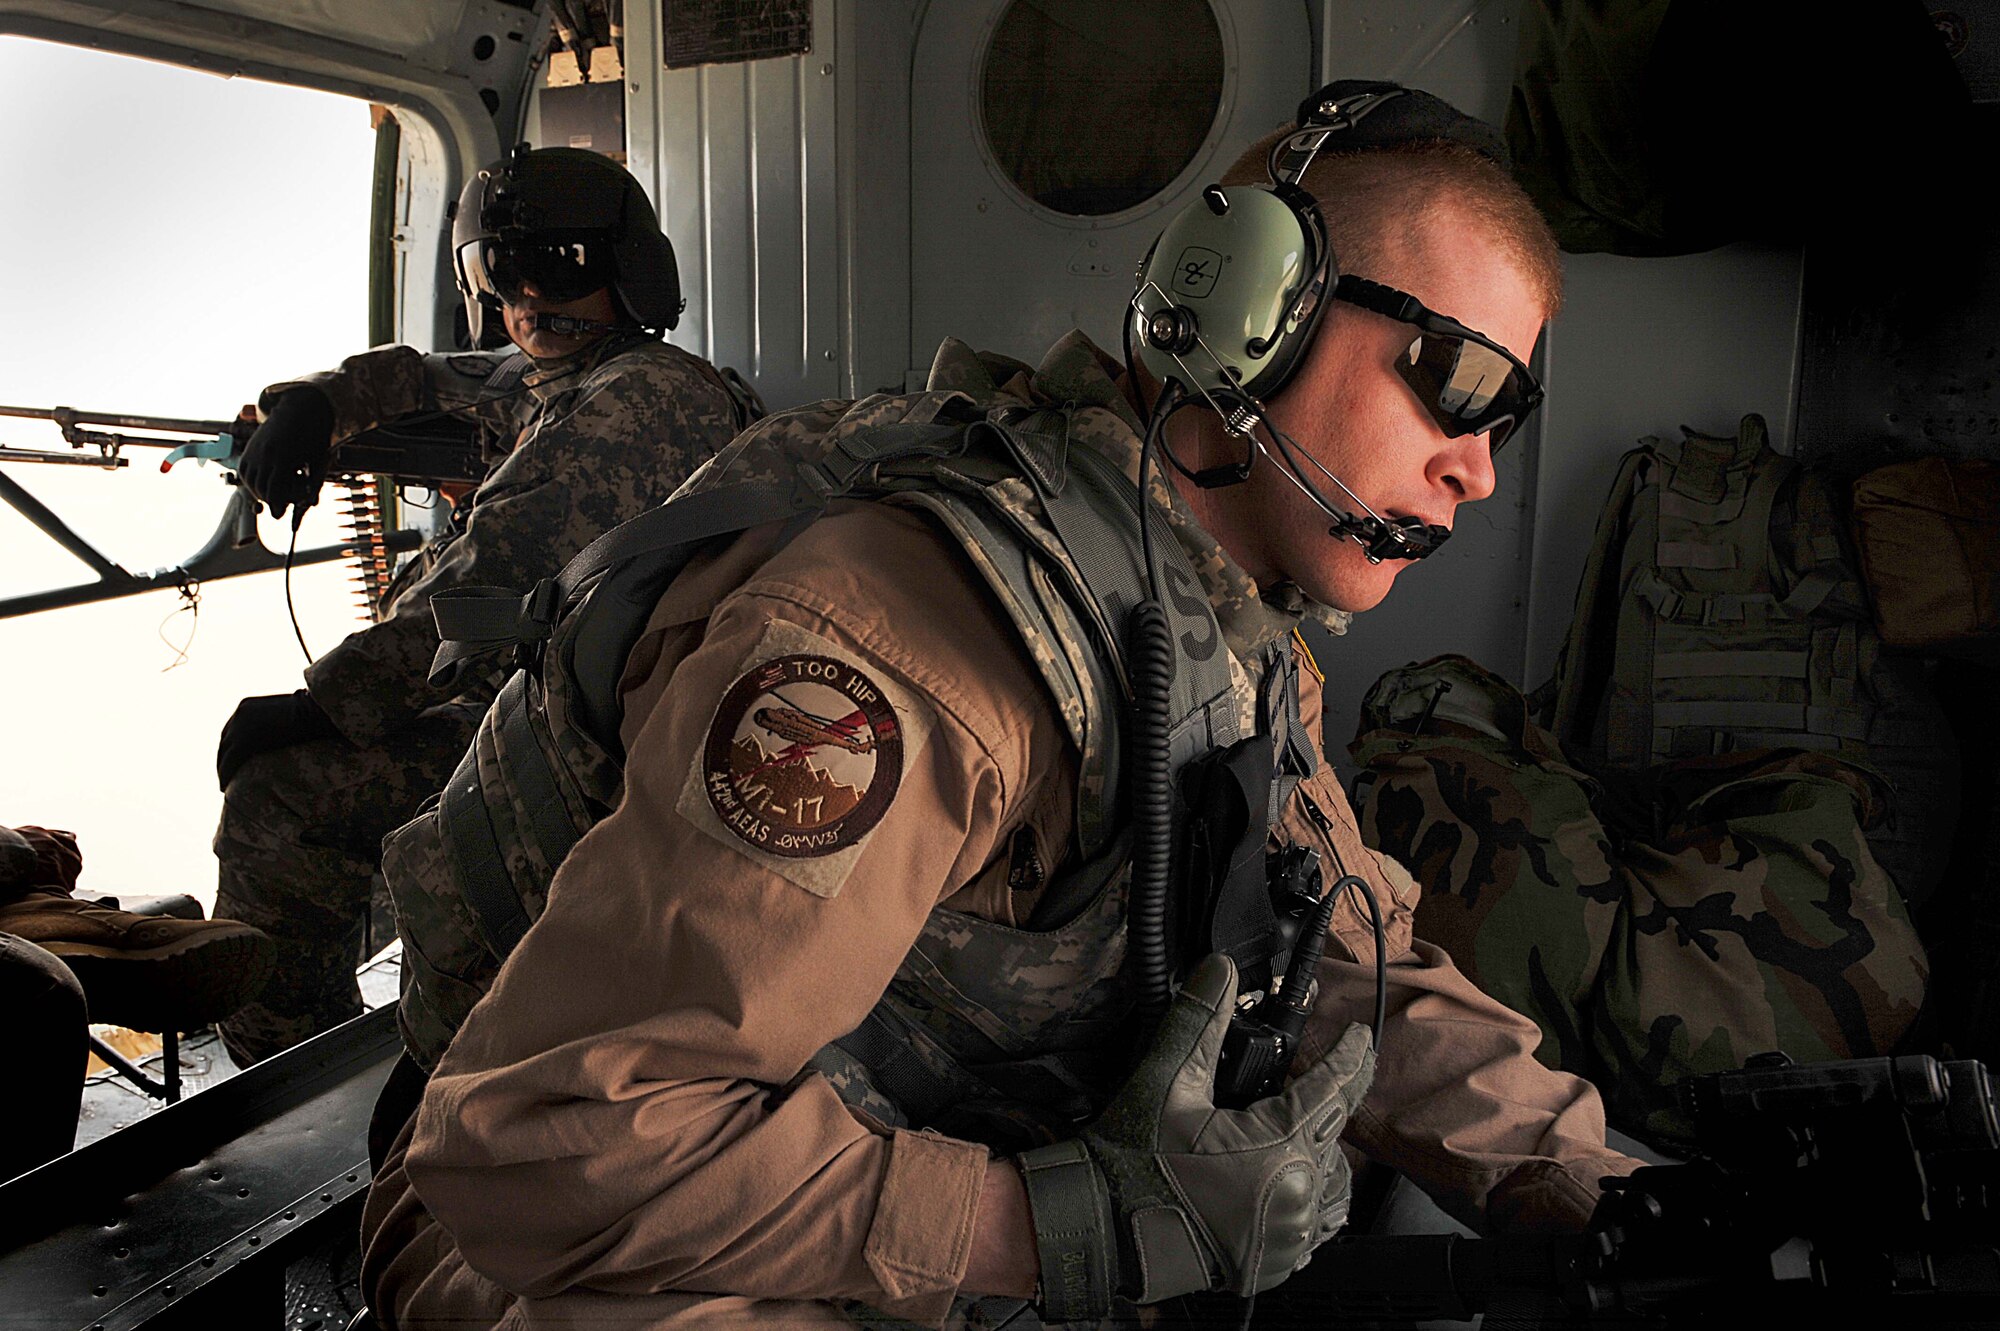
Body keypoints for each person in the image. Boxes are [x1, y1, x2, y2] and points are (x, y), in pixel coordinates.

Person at [359, 84, 1645, 1328]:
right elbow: (540, 1146)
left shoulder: (1214, 617)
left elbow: (1340, 961)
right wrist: (1059, 1227)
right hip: (545, 1231)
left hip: (857, 1154)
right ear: (1252, 312)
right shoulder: (918, 648)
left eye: (1506, 418)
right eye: (1454, 380)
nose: (1477, 470)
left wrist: (1601, 1187)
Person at [210, 147, 745, 1066]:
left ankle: (295, 1085)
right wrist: (316, 403)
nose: (526, 298)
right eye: (500, 271)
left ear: (628, 273)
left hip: (608, 740)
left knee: (280, 794)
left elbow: (488, 590)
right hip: (555, 698)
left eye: (556, 268)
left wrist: (324, 705)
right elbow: (425, 377)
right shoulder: (561, 377)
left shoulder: (643, 397)